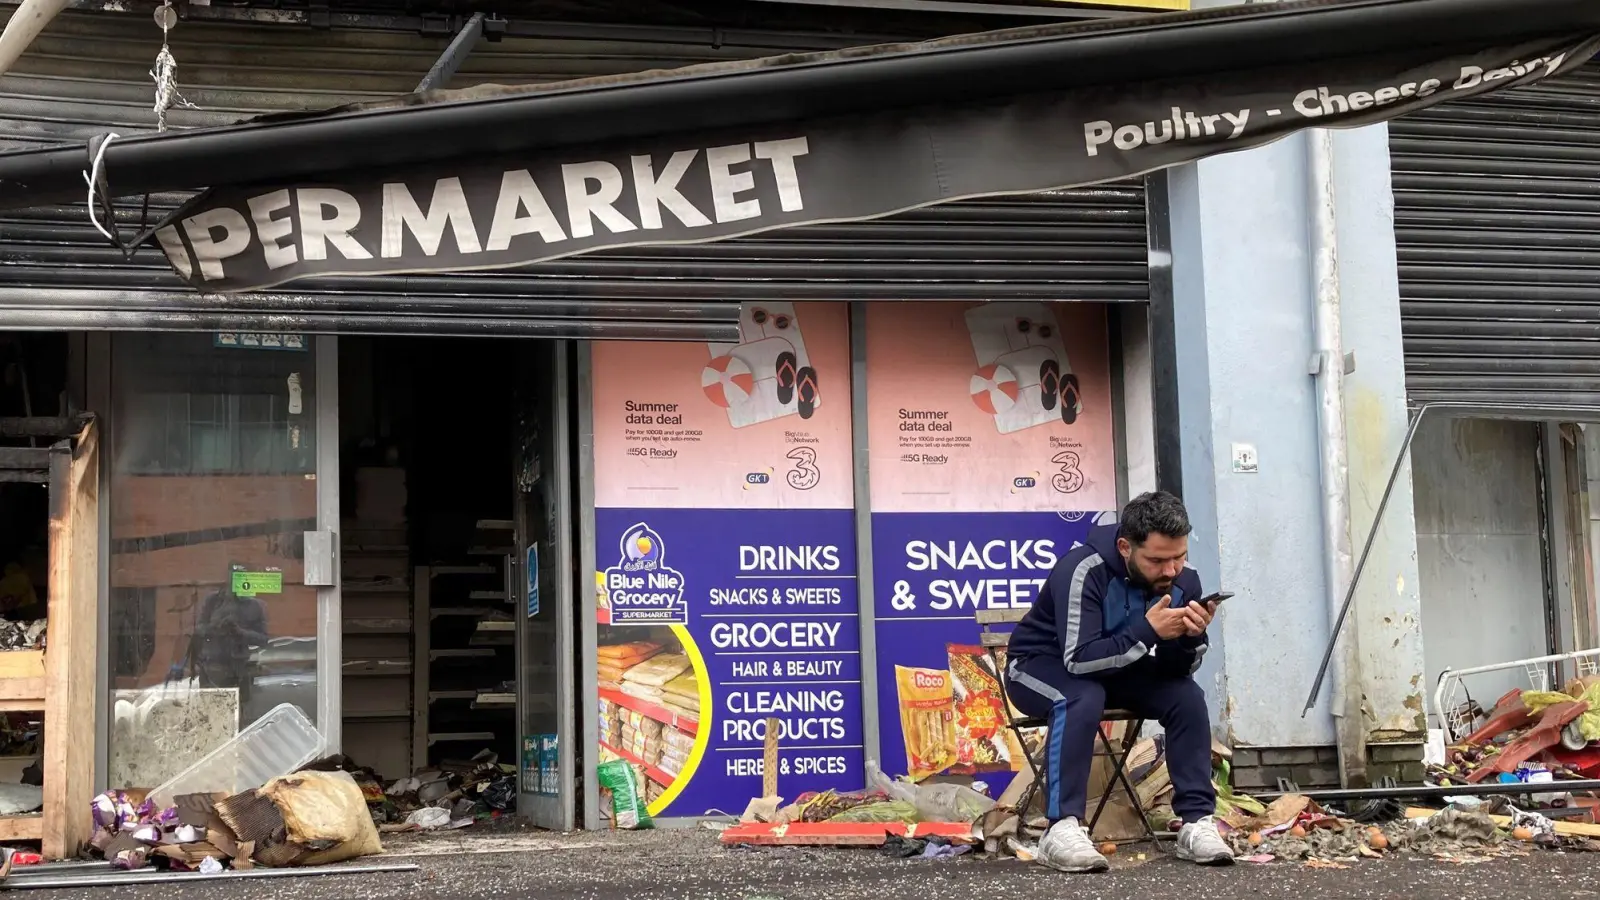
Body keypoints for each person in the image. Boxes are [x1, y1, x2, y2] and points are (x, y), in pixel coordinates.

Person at [1005, 491, 1232, 872]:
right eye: (1158, 560)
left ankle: (1196, 822)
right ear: (1125, 546)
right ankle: (1061, 828)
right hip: (1039, 667)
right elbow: (1078, 660)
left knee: (1186, 697)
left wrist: (1191, 637)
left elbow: (1177, 670)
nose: (1171, 571)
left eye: (1179, 556)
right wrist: (1148, 632)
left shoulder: (1183, 579)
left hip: (1116, 666)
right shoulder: (1083, 570)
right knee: (1082, 695)